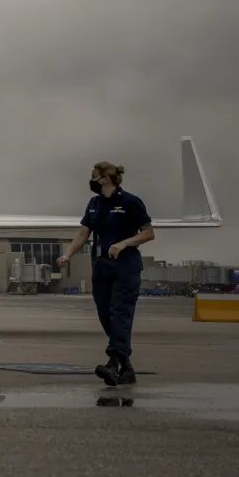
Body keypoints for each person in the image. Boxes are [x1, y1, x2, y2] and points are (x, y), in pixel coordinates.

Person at [57, 161, 155, 387]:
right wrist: (68, 255)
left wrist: (124, 244)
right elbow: (83, 233)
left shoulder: (131, 202)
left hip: (125, 265)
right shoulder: (94, 203)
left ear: (105, 178)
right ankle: (126, 368)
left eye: (94, 175)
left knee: (120, 312)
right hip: (101, 265)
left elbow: (149, 233)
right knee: (105, 314)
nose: (91, 180)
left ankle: (112, 362)